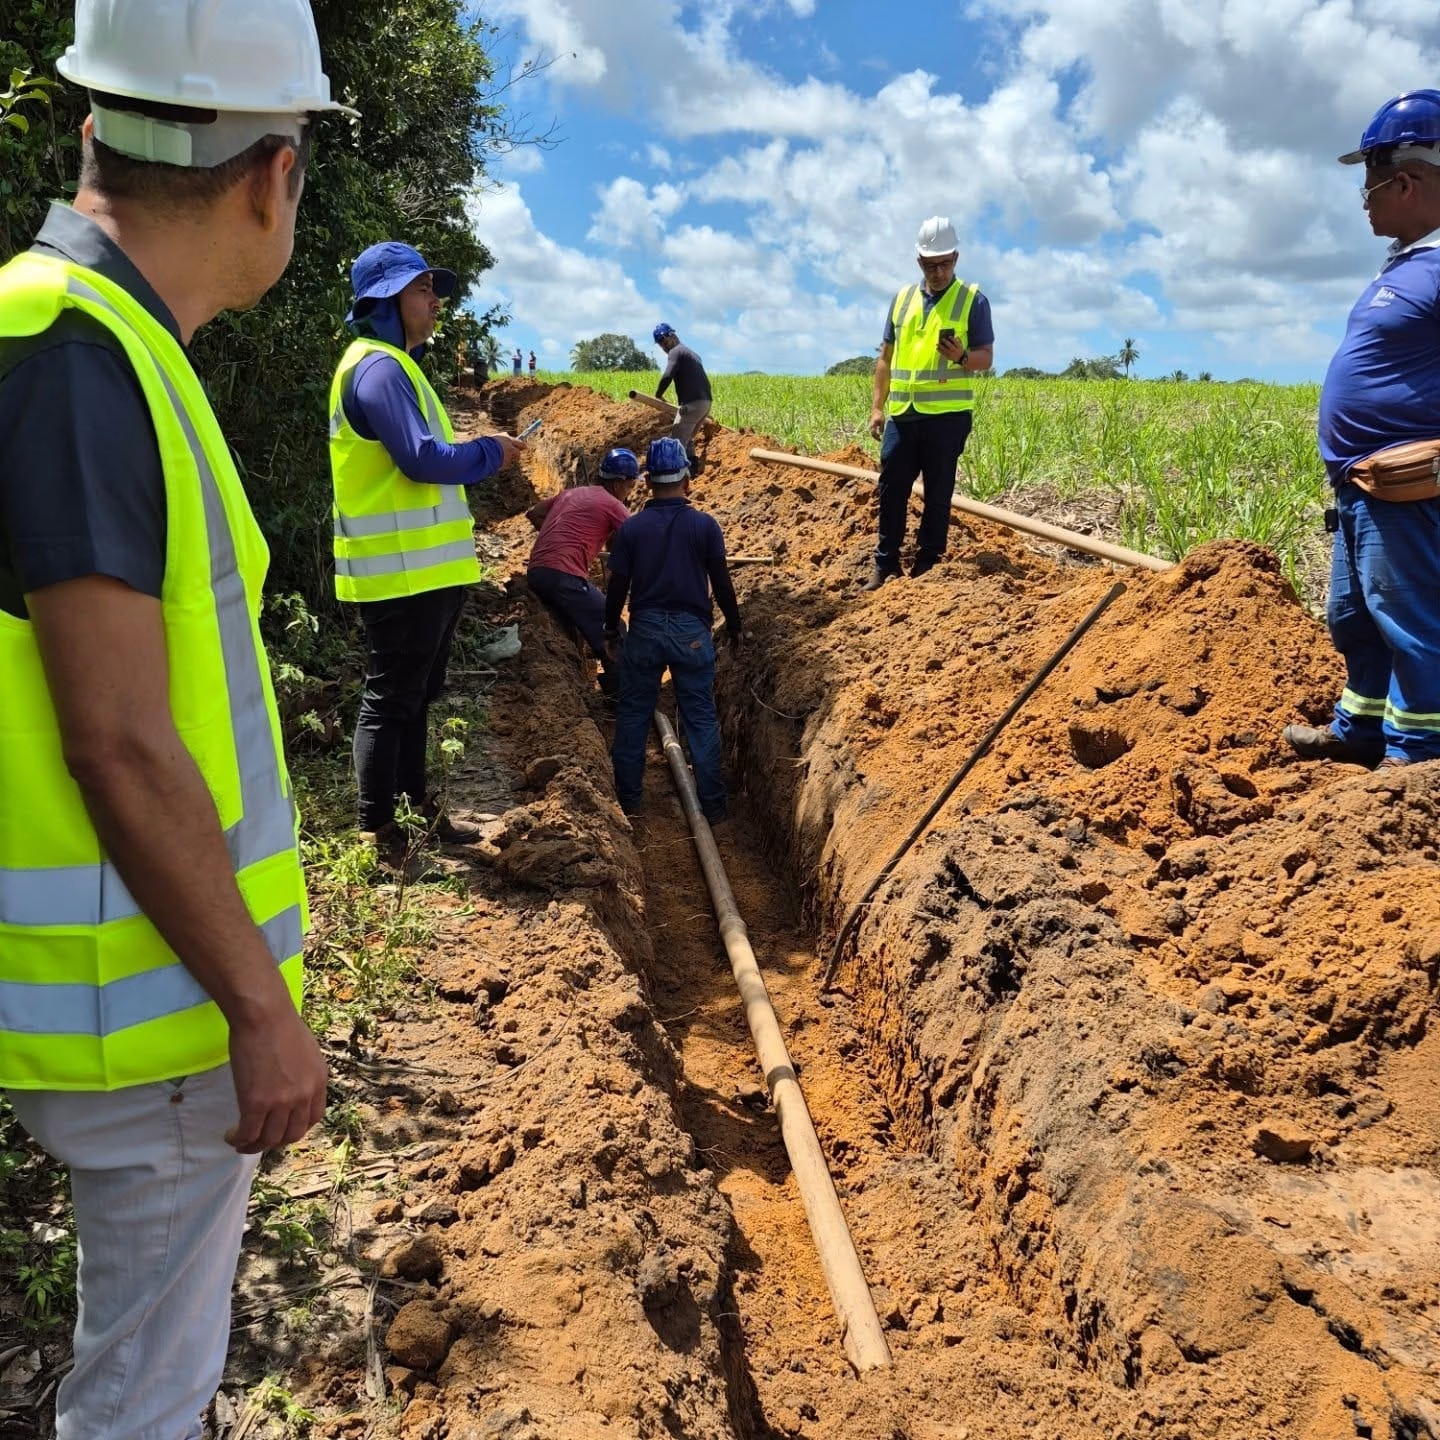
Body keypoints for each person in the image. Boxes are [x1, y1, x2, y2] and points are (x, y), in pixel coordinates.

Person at [0, 2, 350, 1435]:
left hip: (129, 997)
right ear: (272, 175)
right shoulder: (83, 360)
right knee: (141, 1401)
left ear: (94, 125)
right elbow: (122, 741)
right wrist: (259, 1011)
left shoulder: (80, 339)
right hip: (147, 1022)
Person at [330, 242, 526, 865]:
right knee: (391, 695)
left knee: (417, 693)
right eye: (422, 289)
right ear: (385, 301)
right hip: (401, 574)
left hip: (426, 571)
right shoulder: (378, 370)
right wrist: (493, 451)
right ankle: (376, 830)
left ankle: (415, 810)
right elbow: (422, 462)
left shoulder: (398, 368)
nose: (435, 299)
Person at [1286, 91, 1440, 771]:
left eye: (1371, 179)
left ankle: (1417, 759)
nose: (1363, 197)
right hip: (1360, 485)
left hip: (1406, 484)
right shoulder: (1407, 265)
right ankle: (1362, 729)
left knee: (1411, 621)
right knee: (1355, 617)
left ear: (1406, 181)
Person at [606, 437, 742, 822]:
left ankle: (629, 799)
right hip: (692, 631)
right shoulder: (704, 525)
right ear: (686, 478)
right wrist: (735, 627)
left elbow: (617, 584)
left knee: (634, 713)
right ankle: (713, 806)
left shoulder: (632, 529)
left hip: (646, 628)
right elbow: (722, 582)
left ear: (647, 481)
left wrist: (609, 629)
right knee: (699, 715)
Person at [863, 216, 995, 591]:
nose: (938, 271)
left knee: (938, 495)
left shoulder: (973, 300)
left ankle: (927, 563)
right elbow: (885, 358)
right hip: (903, 415)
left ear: (956, 257)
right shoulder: (902, 300)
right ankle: (886, 564)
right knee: (891, 491)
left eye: (945, 264)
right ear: (919, 261)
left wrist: (962, 357)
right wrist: (877, 406)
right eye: (930, 264)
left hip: (946, 418)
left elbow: (986, 358)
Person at [526, 448, 640, 695]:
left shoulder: (572, 494)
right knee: (614, 630)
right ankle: (623, 695)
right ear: (619, 483)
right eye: (630, 486)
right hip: (563, 575)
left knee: (572, 623)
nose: (629, 492)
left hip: (537, 571)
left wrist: (563, 539)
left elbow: (534, 513)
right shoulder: (613, 505)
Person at [652, 322, 713, 467]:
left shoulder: (676, 351)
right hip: (705, 403)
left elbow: (668, 375)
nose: (664, 347)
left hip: (692, 403)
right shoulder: (693, 354)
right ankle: (691, 470)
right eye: (660, 345)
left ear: (672, 335)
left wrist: (658, 394)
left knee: (675, 443)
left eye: (664, 341)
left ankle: (676, 477)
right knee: (687, 438)